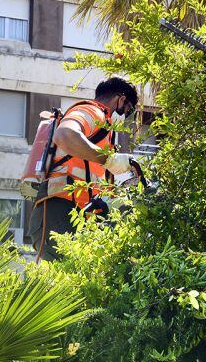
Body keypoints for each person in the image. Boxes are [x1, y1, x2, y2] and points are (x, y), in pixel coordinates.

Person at [29, 76, 138, 261]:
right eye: (126, 110)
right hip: (60, 210)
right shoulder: (93, 111)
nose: (123, 116)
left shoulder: (104, 132)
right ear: (121, 99)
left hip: (73, 213)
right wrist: (109, 159)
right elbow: (64, 134)